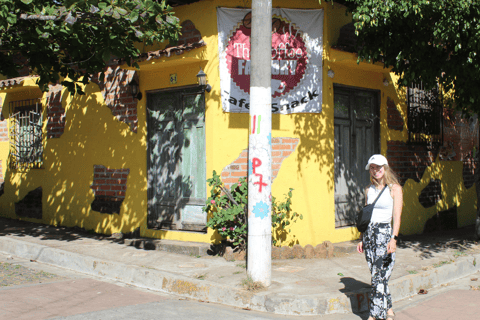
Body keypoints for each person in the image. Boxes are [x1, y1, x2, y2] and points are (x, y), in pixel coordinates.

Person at [357, 154, 403, 320]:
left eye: (378, 167)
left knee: (378, 276)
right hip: (369, 236)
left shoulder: (395, 189)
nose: (375, 170)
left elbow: (397, 217)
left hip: (384, 236)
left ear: (385, 167)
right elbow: (366, 217)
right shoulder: (368, 190)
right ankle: (389, 310)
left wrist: (394, 239)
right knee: (378, 276)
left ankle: (374, 316)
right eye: (372, 167)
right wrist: (362, 238)